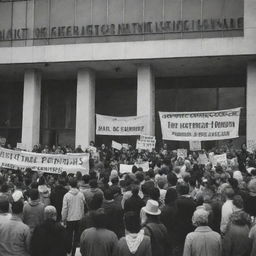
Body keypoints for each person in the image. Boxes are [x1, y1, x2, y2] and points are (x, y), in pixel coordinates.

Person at [62, 178, 85, 256]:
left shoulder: (67, 196)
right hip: (79, 218)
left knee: (69, 235)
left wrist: (63, 218)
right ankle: (74, 252)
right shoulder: (81, 194)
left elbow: (65, 208)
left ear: (69, 185)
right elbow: (83, 206)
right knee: (76, 237)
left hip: (70, 218)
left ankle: (69, 251)